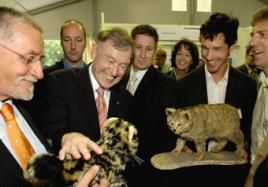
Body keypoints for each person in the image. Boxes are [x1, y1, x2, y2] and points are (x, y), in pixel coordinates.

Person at [0, 6, 108, 187]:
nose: (39, 73)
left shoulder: (19, 113)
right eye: (28, 58)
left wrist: (67, 139)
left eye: (40, 60)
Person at [167, 12, 257, 187]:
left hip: (231, 175)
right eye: (204, 48)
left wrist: (244, 150)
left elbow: (248, 128)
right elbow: (174, 126)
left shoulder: (247, 85)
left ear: (232, 47)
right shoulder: (183, 85)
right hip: (193, 173)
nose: (208, 56)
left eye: (217, 49)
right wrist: (184, 149)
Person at [42, 27, 134, 158]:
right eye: (110, 61)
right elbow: (52, 135)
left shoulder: (126, 99)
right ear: (94, 51)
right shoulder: (60, 83)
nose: (114, 72)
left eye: (123, 66)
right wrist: (67, 137)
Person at [122, 24, 177, 187]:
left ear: (155, 51)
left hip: (150, 173)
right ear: (131, 47)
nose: (143, 55)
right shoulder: (117, 76)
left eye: (149, 49)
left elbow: (168, 136)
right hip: (117, 168)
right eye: (138, 47)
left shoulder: (167, 85)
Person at [249, 6, 268, 187]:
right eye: (253, 35)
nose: (253, 42)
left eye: (263, 34)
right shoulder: (262, 82)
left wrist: (252, 174)